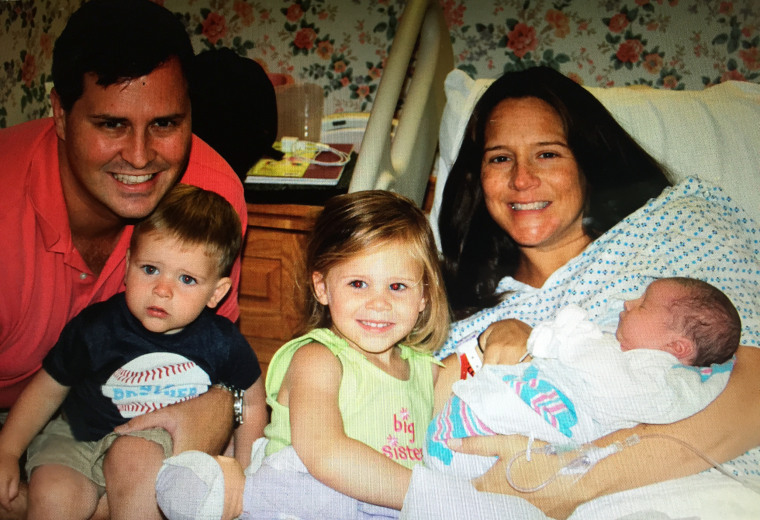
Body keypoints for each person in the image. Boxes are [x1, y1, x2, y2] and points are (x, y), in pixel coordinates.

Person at [401, 66, 760, 519]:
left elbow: (755, 393)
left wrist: (574, 479)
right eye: (499, 158)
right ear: (477, 178)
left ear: (588, 161)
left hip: (715, 491)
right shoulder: (453, 316)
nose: (521, 179)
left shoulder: (678, 227)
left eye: (547, 154)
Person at [0, 0, 247, 516]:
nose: (140, 157)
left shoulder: (210, 199)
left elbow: (221, 370)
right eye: (112, 124)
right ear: (61, 115)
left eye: (165, 123)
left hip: (137, 428)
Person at [154, 190, 451, 520]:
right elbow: (325, 454)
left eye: (397, 287)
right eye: (358, 284)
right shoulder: (318, 359)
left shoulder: (430, 373)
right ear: (322, 287)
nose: (378, 303)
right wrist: (439, 497)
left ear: (423, 295)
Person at [0, 185, 267, 520]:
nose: (162, 289)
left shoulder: (222, 341)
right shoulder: (96, 327)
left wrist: (244, 472)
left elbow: (253, 403)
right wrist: (7, 451)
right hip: (78, 437)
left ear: (217, 293)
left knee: (137, 464)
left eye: (186, 278)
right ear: (128, 265)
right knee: (54, 495)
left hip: (155, 443)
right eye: (150, 269)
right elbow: (46, 391)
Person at [426, 277, 741, 479]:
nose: (627, 303)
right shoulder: (622, 349)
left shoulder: (659, 379)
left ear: (677, 347)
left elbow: (609, 383)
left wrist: (576, 334)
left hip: (533, 438)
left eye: (642, 304)